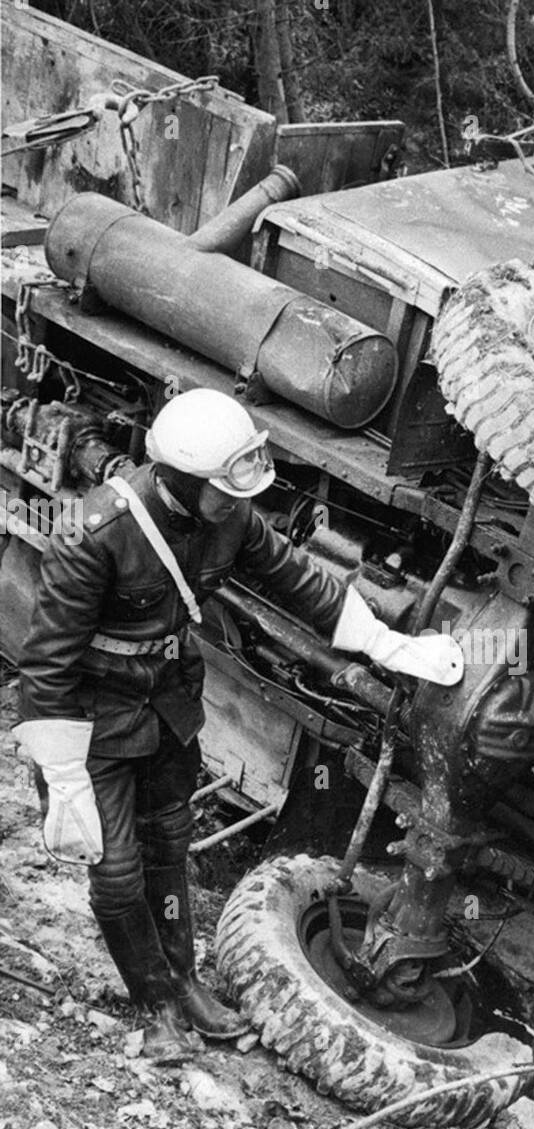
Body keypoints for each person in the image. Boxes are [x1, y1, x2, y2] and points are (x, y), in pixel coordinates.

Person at [14, 387, 461, 1060]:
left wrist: (385, 644)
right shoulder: (96, 533)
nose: (237, 505)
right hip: (93, 716)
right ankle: (154, 1003)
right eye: (224, 491)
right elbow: (46, 666)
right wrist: (63, 776)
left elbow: (299, 582)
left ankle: (186, 982)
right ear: (176, 480)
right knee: (115, 873)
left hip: (167, 704)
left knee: (170, 847)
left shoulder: (230, 517)